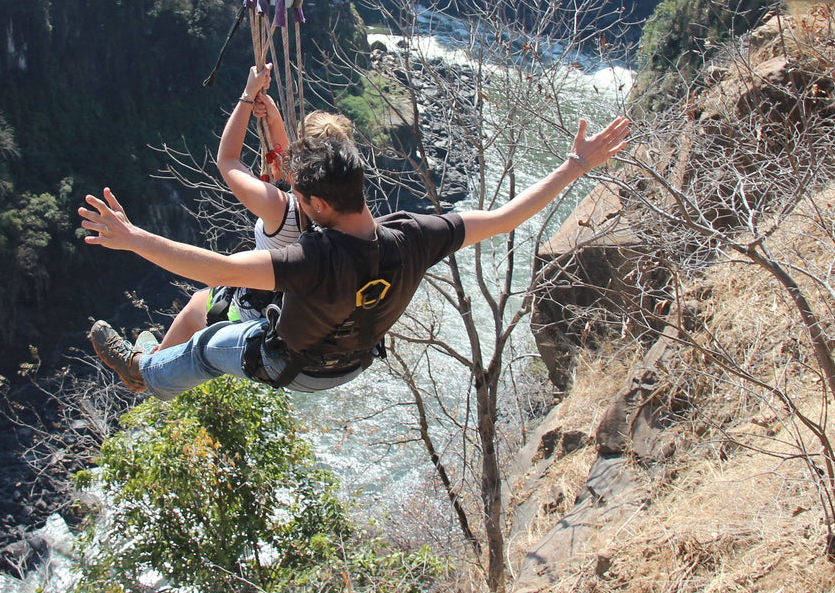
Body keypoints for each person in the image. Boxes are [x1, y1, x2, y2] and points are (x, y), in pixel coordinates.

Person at [81, 113, 633, 399]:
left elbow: (213, 265)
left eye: (299, 196)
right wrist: (574, 167)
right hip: (351, 362)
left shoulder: (311, 262)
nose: (293, 198)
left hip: (292, 366)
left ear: (318, 201)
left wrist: (133, 238)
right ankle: (152, 365)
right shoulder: (414, 235)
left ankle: (142, 372)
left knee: (208, 346)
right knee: (217, 303)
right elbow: (507, 217)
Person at [152, 63, 355, 355]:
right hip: (303, 321)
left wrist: (247, 96)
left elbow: (228, 161)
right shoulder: (342, 208)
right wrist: (273, 120)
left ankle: (145, 369)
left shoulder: (280, 208)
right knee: (203, 300)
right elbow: (297, 171)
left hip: (256, 321)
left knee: (197, 305)